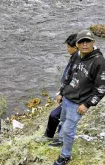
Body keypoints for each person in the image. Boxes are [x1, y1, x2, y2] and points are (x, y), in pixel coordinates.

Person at [53, 30, 105, 165]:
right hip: (67, 97)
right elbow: (68, 75)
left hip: (79, 103)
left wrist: (87, 104)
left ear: (93, 42)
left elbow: (101, 88)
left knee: (69, 130)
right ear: (77, 44)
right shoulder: (76, 55)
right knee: (63, 120)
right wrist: (61, 92)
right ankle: (60, 140)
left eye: (88, 41)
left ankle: (65, 156)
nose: (85, 44)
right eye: (82, 42)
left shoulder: (99, 61)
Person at [35, 34, 78, 144]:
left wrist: (63, 94)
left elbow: (71, 80)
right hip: (68, 94)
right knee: (60, 117)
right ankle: (56, 137)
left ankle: (56, 139)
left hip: (73, 96)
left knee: (56, 116)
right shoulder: (74, 57)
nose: (67, 49)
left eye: (68, 46)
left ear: (75, 47)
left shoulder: (78, 60)